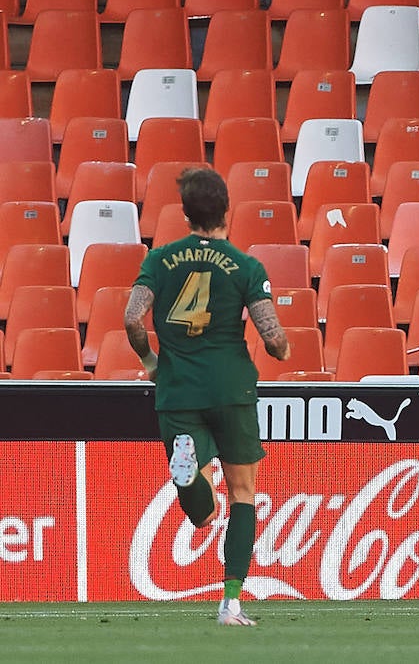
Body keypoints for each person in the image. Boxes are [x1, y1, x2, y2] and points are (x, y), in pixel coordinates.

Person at [123, 168, 291, 627]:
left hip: (177, 388)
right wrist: (282, 346)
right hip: (231, 387)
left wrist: (153, 363)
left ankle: (187, 472)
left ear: (186, 213)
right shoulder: (246, 266)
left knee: (200, 509)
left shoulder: (159, 259)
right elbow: (272, 337)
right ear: (226, 210)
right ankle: (231, 603)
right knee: (242, 494)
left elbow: (133, 318)